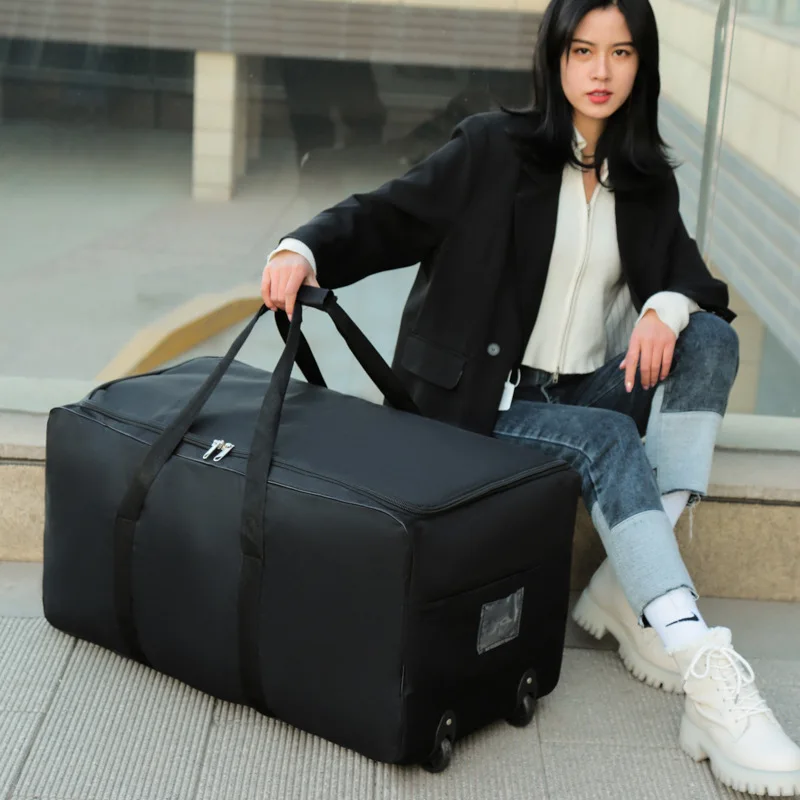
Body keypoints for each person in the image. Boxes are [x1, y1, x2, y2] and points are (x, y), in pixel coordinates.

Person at [260, 0, 800, 794]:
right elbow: (389, 214)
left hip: (574, 396)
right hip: (476, 410)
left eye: (621, 53)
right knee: (609, 439)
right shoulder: (492, 148)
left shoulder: (644, 181)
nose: (601, 71)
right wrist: (302, 248)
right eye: (583, 50)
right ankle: (704, 670)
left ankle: (627, 585)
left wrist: (664, 306)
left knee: (709, 338)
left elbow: (694, 281)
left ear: (642, 65)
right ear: (554, 57)